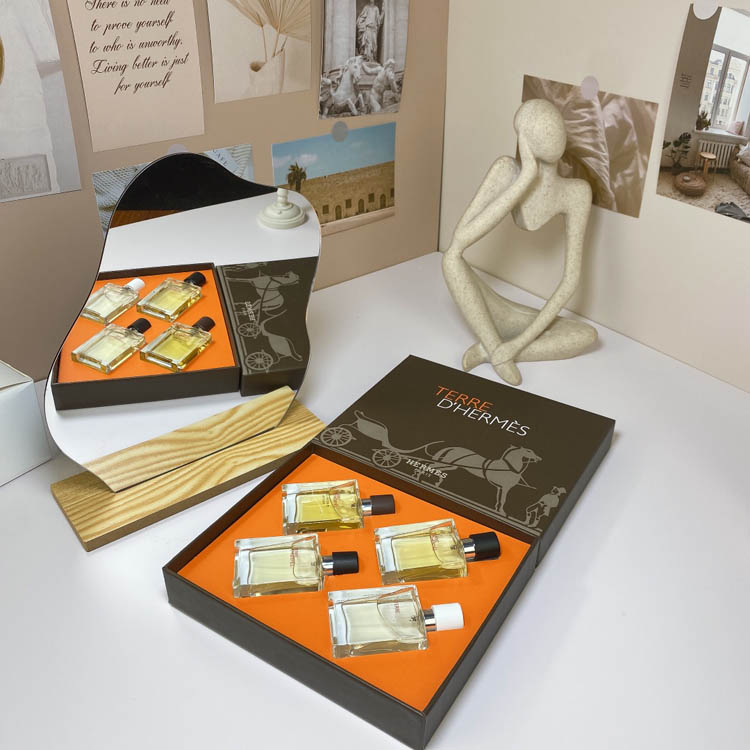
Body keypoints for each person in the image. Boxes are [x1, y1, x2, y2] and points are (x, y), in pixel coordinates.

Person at [442, 99, 598, 386]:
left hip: (521, 321)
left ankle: (492, 351)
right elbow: (459, 242)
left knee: (586, 335)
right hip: (492, 308)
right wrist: (525, 177)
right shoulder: (506, 171)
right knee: (450, 260)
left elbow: (570, 281)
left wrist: (516, 345)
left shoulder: (576, 193)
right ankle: (495, 346)